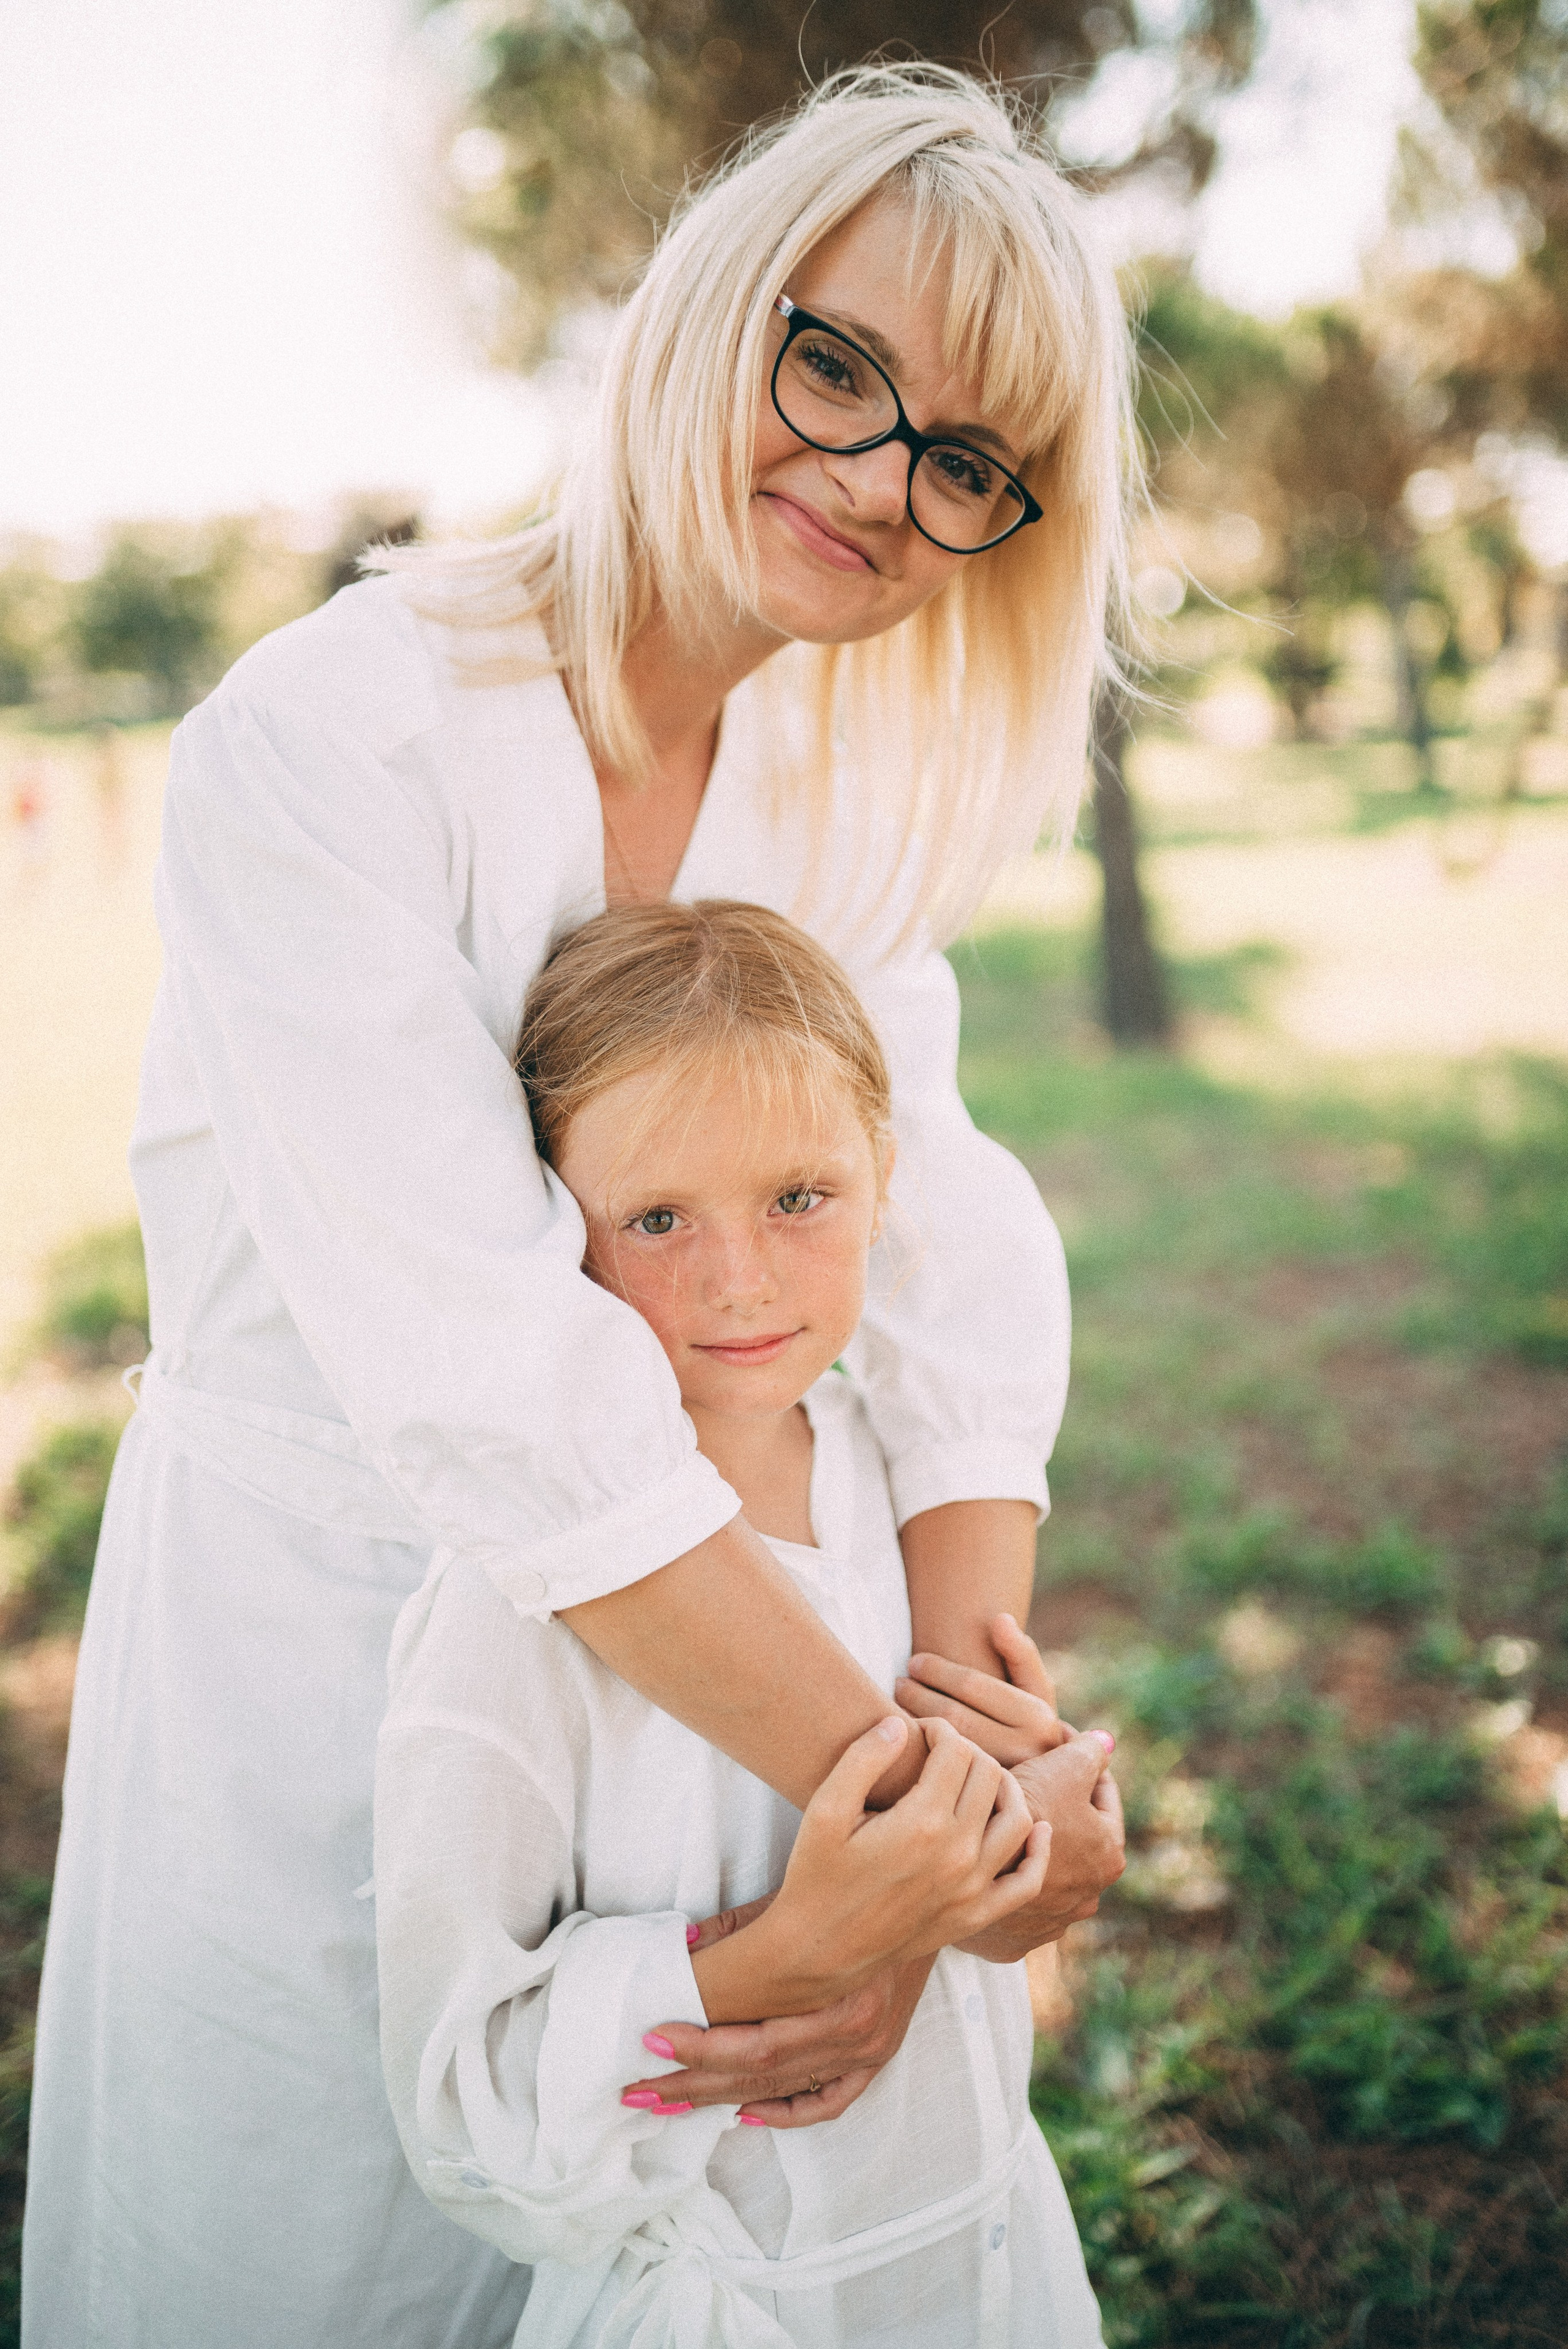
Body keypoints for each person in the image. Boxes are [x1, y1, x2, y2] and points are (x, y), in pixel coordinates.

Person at [24, 64, 1131, 2349]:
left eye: (968, 460)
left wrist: (968, 1740)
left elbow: (934, 1255)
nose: (872, 479)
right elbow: (488, 1368)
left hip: (716, 1689)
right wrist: (917, 1842)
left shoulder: (824, 794)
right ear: (722, 300)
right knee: (307, 2262)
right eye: (839, 362)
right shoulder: (332, 739)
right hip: (320, 1666)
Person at [376, 897, 1109, 2345]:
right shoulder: (511, 1607)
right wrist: (776, 1958)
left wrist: (1054, 1833)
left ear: (883, 1175)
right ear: (544, 1226)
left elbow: (1012, 1832)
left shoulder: (896, 1485)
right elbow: (467, 2104)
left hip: (975, 2260)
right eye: (656, 1218)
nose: (740, 1279)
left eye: (798, 1196)